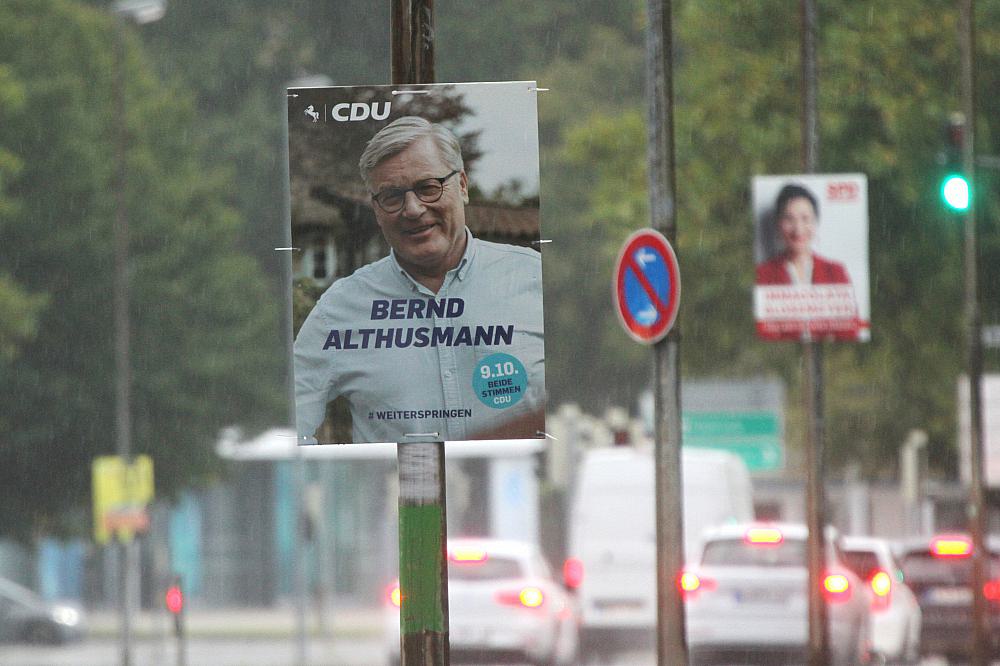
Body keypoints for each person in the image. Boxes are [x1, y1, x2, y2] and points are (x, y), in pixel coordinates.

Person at [294, 116, 545, 444]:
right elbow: (287, 422)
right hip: (397, 496)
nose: (412, 209)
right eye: (392, 196)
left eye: (428, 187)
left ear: (463, 186)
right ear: (376, 209)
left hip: (516, 494)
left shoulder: (534, 279)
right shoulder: (340, 308)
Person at [755, 184, 851, 286]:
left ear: (815, 222)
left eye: (805, 218)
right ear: (778, 224)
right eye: (789, 219)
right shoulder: (761, 274)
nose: (798, 229)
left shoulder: (835, 272)